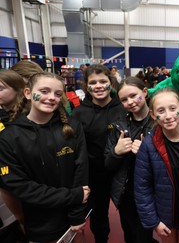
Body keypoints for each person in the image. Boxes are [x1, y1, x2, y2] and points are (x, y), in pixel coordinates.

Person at [0, 72, 90, 242]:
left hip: (73, 217)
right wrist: (73, 195)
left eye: (57, 93)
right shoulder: (9, 138)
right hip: (40, 224)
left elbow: (81, 171)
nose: (51, 98)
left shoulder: (72, 127)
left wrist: (77, 215)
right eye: (44, 91)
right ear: (28, 93)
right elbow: (22, 187)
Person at [134, 88, 179, 243]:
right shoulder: (148, 145)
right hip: (165, 218)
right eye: (161, 110)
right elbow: (142, 188)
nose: (168, 116)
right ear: (153, 115)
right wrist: (154, 222)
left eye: (173, 109)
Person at [72, 64, 125, 243]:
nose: (99, 86)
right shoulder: (79, 114)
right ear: (86, 86)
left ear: (111, 82)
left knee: (130, 215)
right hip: (95, 175)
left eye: (103, 81)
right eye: (93, 82)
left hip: (123, 172)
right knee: (98, 217)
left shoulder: (124, 109)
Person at [104, 76, 155, 243]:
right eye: (124, 100)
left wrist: (146, 154)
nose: (130, 102)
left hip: (150, 192)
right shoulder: (118, 125)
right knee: (130, 234)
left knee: (145, 235)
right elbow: (108, 164)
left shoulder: (158, 123)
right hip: (125, 192)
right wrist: (116, 152)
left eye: (134, 95)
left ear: (145, 92)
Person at [0, 70, 27, 242]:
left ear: (18, 90)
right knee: (21, 221)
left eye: (1, 88)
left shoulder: (29, 115)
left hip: (28, 178)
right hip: (5, 177)